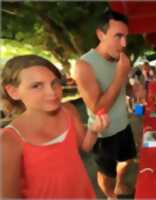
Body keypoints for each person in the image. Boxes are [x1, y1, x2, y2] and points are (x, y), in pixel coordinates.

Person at [0, 55, 110, 198]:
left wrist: (94, 131)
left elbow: (84, 147)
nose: (52, 92)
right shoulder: (8, 140)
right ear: (13, 92)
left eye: (54, 83)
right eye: (36, 86)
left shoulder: (69, 110)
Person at [72, 10, 137, 198]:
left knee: (127, 160)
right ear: (100, 34)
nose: (124, 44)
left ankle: (120, 184)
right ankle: (110, 195)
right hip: (103, 134)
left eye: (126, 37)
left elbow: (123, 87)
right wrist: (120, 74)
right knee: (106, 172)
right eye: (118, 36)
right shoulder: (84, 65)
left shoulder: (119, 59)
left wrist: (134, 91)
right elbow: (97, 108)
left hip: (124, 125)